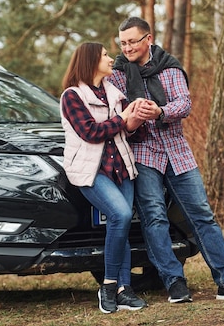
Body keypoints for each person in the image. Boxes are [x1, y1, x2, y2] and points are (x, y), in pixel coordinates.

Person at [110, 17, 224, 303]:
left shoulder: (169, 66)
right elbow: (112, 108)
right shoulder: (118, 73)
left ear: (148, 39)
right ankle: (175, 283)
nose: (127, 48)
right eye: (122, 43)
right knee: (154, 218)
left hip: (177, 151)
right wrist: (132, 113)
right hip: (142, 152)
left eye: (132, 41)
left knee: (202, 216)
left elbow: (184, 103)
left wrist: (160, 111)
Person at [60, 42, 148, 314]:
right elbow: (90, 132)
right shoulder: (72, 96)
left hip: (122, 169)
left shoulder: (115, 93)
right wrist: (123, 118)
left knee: (121, 226)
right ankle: (108, 285)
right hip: (91, 171)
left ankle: (124, 289)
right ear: (90, 60)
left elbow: (129, 134)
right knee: (121, 216)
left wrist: (134, 122)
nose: (112, 58)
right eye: (106, 55)